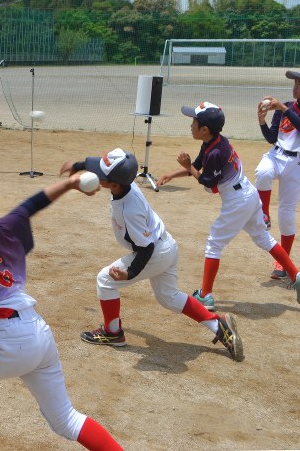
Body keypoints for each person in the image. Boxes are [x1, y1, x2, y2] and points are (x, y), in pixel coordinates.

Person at [0, 166, 121, 451]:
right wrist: (70, 183)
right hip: (39, 333)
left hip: (10, 341)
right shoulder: (6, 227)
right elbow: (34, 203)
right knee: (66, 419)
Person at [61, 148, 243, 361]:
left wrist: (130, 273)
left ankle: (112, 333)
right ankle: (218, 324)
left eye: (100, 175)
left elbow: (145, 249)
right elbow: (102, 165)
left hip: (154, 253)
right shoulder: (127, 183)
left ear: (114, 184)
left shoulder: (128, 210)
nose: (95, 175)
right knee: (169, 297)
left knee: (105, 280)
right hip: (167, 245)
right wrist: (78, 166)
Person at [156, 102, 300, 307]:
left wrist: (187, 166)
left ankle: (205, 295)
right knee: (263, 238)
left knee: (214, 244)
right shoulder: (214, 141)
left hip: (237, 200)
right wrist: (173, 174)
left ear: (204, 129)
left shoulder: (215, 152)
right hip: (248, 194)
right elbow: (197, 166)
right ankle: (296, 275)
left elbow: (207, 182)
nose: (191, 125)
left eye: (194, 122)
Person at [254, 69, 300, 280]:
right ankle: (264, 213)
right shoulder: (286, 108)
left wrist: (282, 107)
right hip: (277, 154)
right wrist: (262, 121)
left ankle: (283, 262)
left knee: (286, 214)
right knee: (262, 172)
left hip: (296, 163)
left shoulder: (285, 108)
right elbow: (272, 138)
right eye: (295, 83)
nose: (295, 87)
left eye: (299, 84)